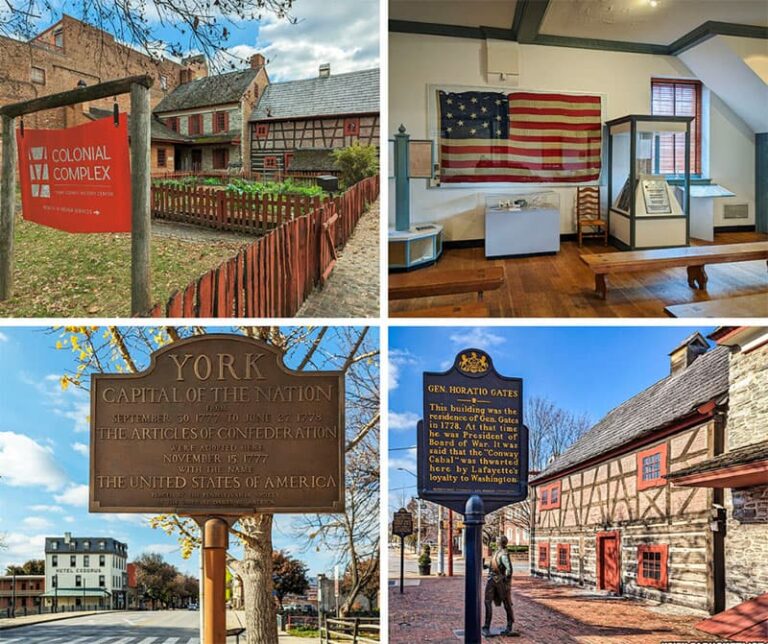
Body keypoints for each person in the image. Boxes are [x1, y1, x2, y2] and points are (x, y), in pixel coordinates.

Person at [482, 535, 519, 637]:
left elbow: (509, 569)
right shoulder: (497, 552)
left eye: (498, 540)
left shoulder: (503, 554)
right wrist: (485, 566)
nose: (496, 540)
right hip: (492, 580)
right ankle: (486, 626)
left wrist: (505, 581)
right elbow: (494, 566)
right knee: (487, 601)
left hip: (499, 582)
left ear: (501, 542)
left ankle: (509, 626)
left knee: (506, 604)